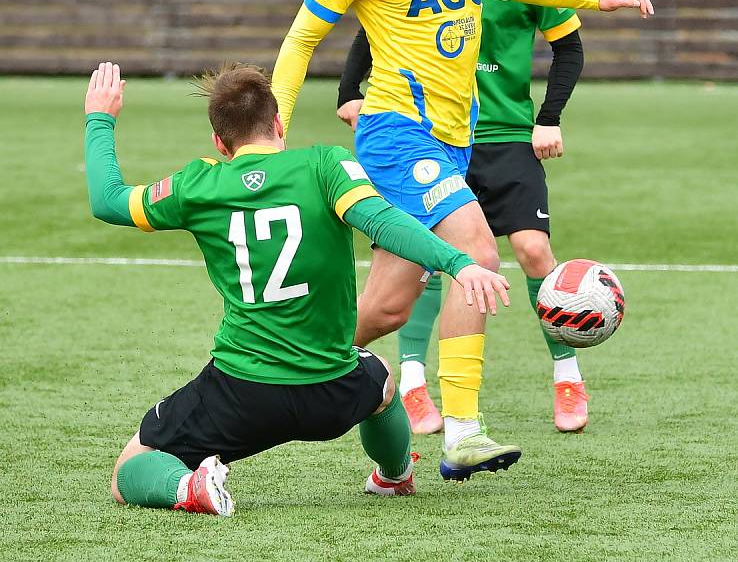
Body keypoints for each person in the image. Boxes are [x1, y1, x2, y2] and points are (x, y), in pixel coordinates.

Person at [271, 0, 653, 481]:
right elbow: (303, 40)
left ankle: (271, 373)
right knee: (477, 252)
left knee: (386, 308)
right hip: (395, 132)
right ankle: (463, 433)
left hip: (454, 142)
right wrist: (271, 135)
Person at [84, 61, 510, 515]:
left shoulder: (198, 185)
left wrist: (100, 116)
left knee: (131, 468)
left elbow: (108, 200)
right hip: (334, 393)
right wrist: (458, 262)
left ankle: (189, 489)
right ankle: (395, 475)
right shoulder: (328, 164)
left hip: (241, 395)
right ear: (278, 123)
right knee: (381, 380)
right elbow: (384, 222)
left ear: (219, 143)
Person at [337, 0, 590, 436]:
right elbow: (372, 30)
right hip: (429, 137)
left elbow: (569, 48)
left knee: (529, 252)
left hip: (503, 137)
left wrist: (548, 117)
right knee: (434, 267)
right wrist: (350, 94)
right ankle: (417, 390)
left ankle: (565, 373)